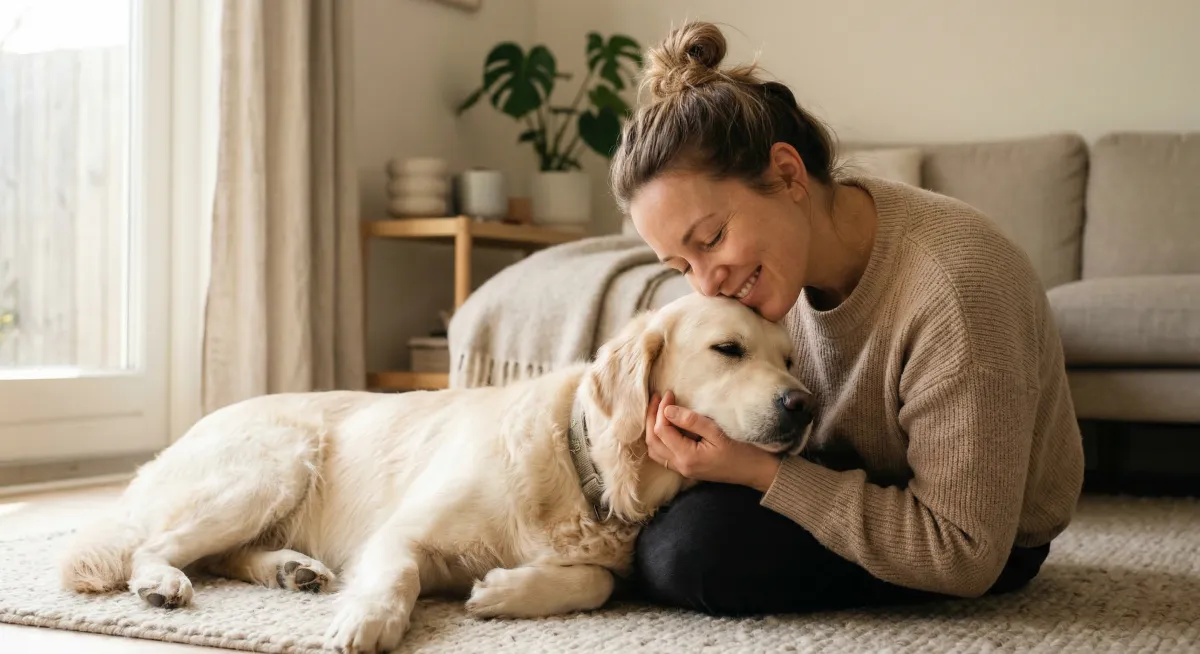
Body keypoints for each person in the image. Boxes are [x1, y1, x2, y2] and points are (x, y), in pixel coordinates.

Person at [609, 20, 1085, 616]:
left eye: (712, 238)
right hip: (847, 477)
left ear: (787, 175)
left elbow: (965, 550)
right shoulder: (769, 287)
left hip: (970, 537)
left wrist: (760, 473)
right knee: (662, 525)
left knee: (692, 553)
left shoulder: (957, 287)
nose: (707, 283)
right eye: (681, 264)